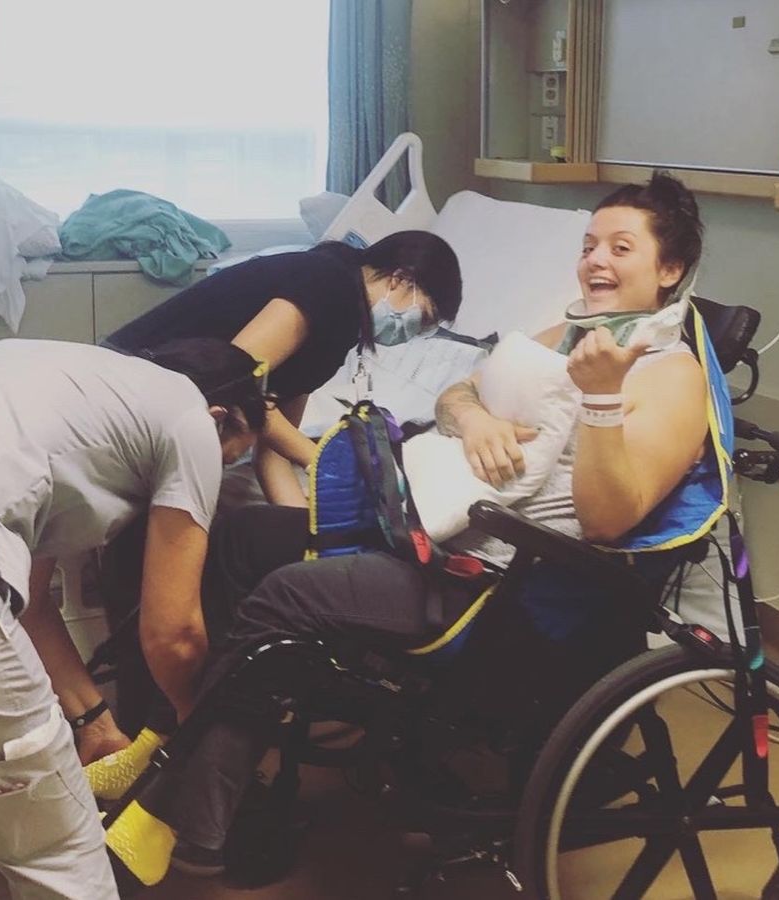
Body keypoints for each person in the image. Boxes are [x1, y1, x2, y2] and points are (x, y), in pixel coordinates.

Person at [106, 172, 735, 884]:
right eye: (589, 244)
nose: (595, 260)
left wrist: (600, 400)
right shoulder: (567, 334)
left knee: (288, 595)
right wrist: (475, 418)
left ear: (669, 270)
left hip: (496, 584)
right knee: (240, 539)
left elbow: (608, 518)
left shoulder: (669, 375)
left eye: (621, 248)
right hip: (430, 529)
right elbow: (456, 390)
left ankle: (190, 823)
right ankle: (182, 738)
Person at [0, 336, 267, 899]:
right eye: (229, 458)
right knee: (58, 848)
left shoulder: (72, 383)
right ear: (221, 418)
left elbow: (33, 600)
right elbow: (172, 633)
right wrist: (198, 722)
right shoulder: (189, 414)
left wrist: (93, 719)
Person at [104, 231, 463, 506]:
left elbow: (272, 452)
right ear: (400, 279)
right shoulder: (327, 282)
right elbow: (231, 380)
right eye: (423, 317)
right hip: (119, 387)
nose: (411, 332)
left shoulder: (336, 335)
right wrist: (325, 462)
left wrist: (303, 528)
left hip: (155, 399)